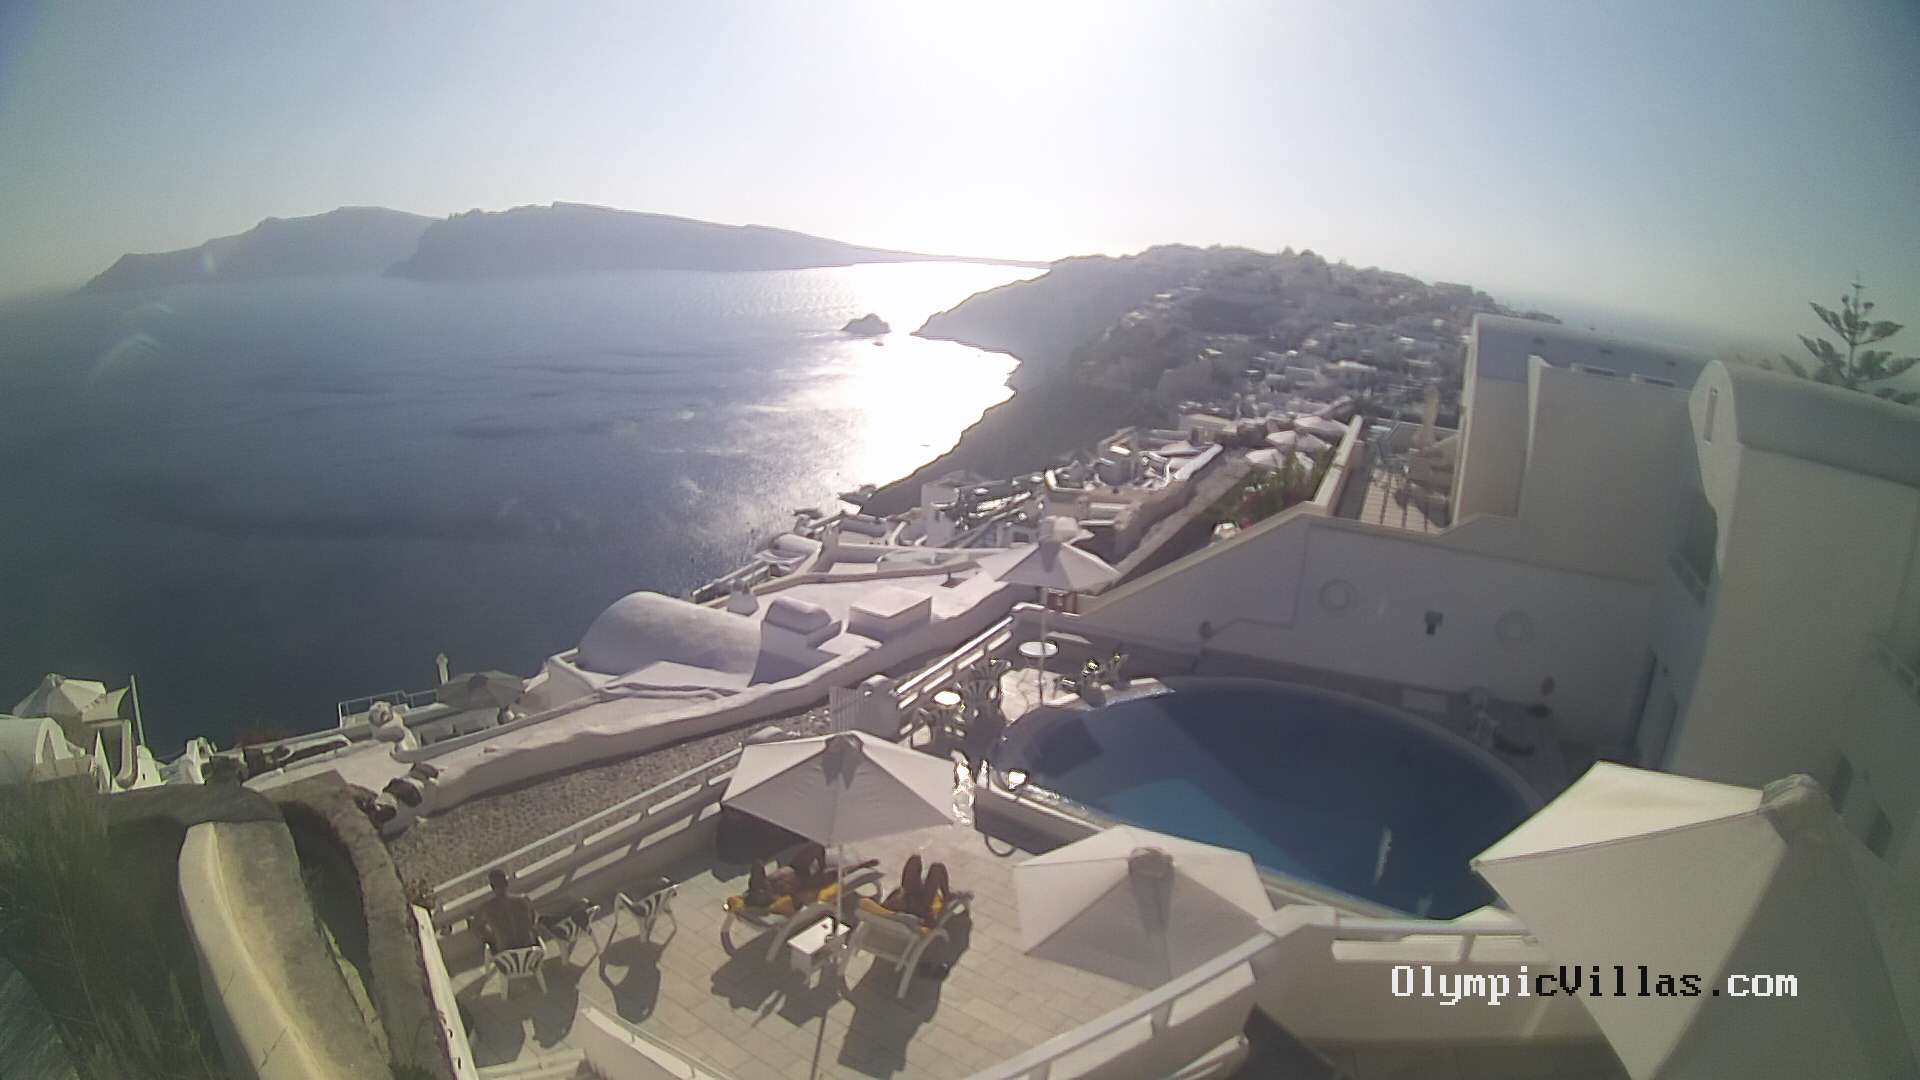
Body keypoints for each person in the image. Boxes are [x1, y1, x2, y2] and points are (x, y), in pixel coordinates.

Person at [473, 868, 538, 954]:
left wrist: (494, 937)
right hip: (529, 952)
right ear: (506, 883)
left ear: (492, 887)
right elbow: (533, 920)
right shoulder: (523, 900)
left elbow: (477, 928)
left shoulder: (486, 908)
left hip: (506, 954)